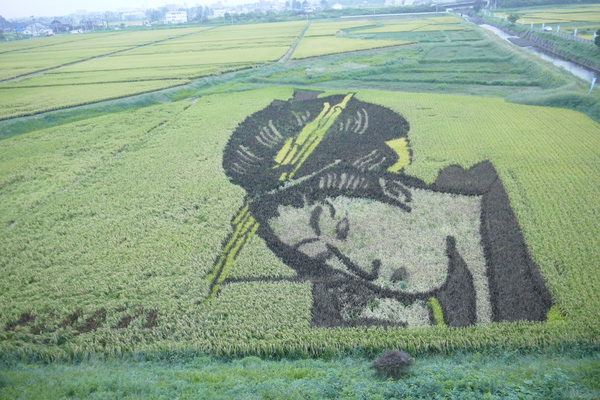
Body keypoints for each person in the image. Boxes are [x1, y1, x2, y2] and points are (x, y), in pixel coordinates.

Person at [209, 92, 553, 328]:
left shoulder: (528, 225)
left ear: (393, 189)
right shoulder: (366, 304)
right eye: (325, 257)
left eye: (343, 229)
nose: (360, 269)